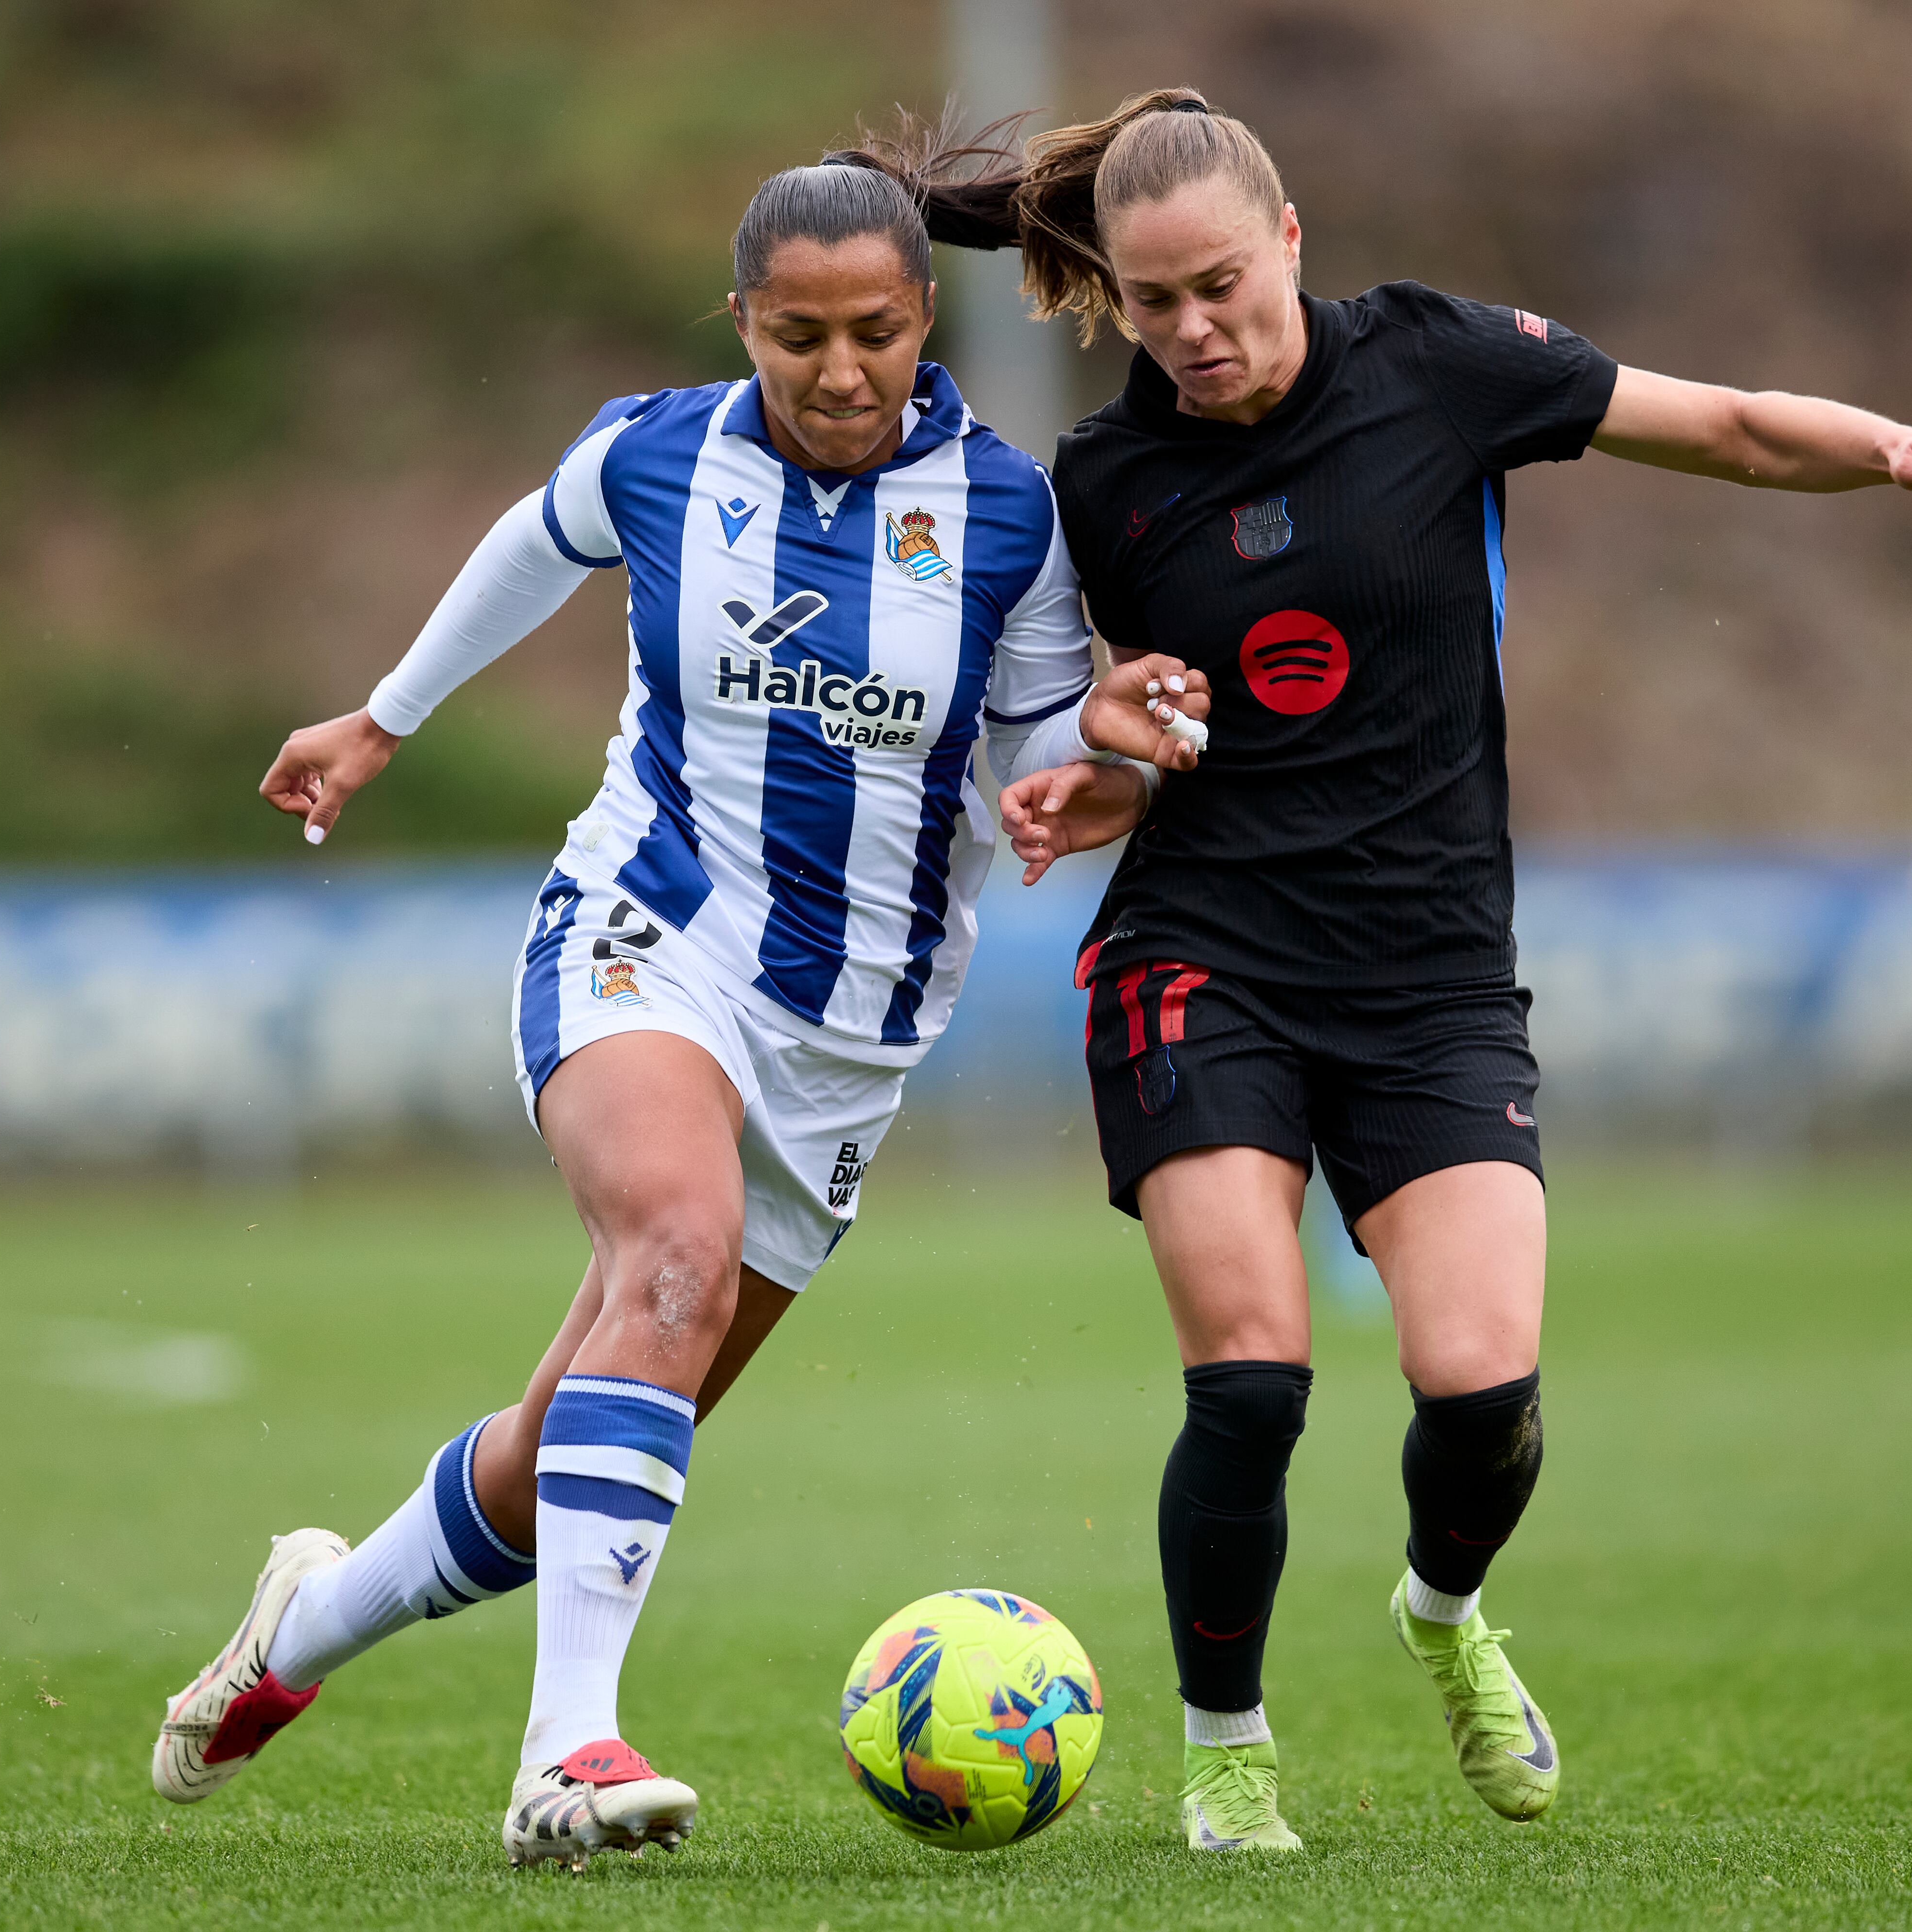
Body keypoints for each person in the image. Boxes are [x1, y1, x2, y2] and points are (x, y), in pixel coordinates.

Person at [974, 88, 1912, 1851]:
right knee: (1251, 1371)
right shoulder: (1110, 481)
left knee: (1480, 1391)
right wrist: (1110, 752)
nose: (1193, 332)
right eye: (1154, 306)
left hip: (1434, 975)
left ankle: (1443, 1615)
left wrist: (1894, 442)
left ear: (1290, 240)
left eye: (1220, 286)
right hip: (1203, 951)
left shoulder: (1440, 367)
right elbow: (1127, 702)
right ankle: (1228, 1758)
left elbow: (1737, 430)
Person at [149, 142, 1210, 1870]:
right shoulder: (664, 453)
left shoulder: (1010, 510)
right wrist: (382, 717)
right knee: (672, 1254)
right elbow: (529, 540)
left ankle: (305, 1628)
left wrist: (1103, 758)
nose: (841, 372)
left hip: (850, 1037)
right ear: (745, 323)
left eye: (873, 331)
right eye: (798, 337)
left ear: (921, 316)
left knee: (565, 1446)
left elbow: (1033, 745)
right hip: (649, 931)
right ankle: (567, 1755)